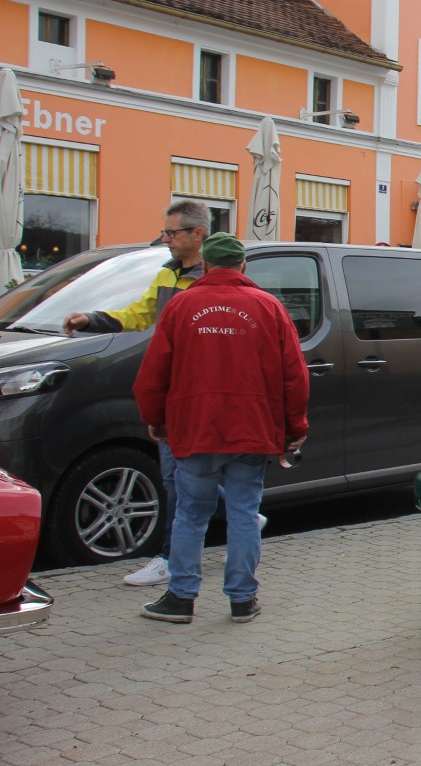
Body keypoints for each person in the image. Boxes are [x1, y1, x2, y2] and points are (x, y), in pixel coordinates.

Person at [132, 233, 308, 624]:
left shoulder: (181, 306)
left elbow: (152, 375)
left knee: (190, 515)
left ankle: (181, 598)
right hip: (252, 429)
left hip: (194, 430)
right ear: (243, 267)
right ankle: (243, 599)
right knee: (244, 513)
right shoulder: (269, 307)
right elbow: (294, 376)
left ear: (206, 265)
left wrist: (156, 420)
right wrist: (294, 427)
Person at [63, 199, 214, 587]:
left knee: (180, 476)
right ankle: (236, 511)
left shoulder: (213, 276)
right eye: (164, 231)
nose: (164, 239)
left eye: (171, 232)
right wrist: (92, 319)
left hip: (200, 391)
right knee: (176, 477)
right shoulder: (167, 275)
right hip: (171, 388)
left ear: (197, 235)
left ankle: (171, 557)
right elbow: (142, 313)